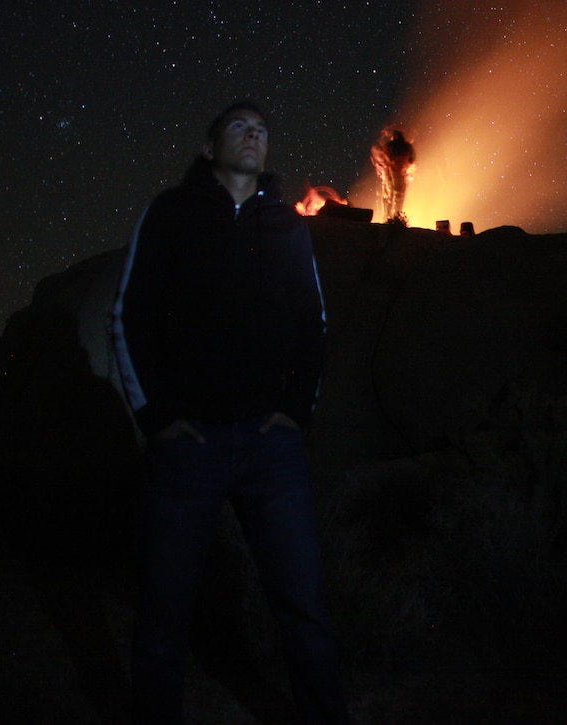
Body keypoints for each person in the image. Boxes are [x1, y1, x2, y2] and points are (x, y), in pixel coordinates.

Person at [113, 101, 348, 724]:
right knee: (165, 611)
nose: (254, 137)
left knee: (303, 605)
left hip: (271, 448)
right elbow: (129, 315)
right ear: (214, 142)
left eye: (264, 131)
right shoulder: (171, 213)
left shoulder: (287, 226)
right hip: (188, 445)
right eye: (241, 127)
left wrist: (296, 413)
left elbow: (312, 326)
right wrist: (157, 419)